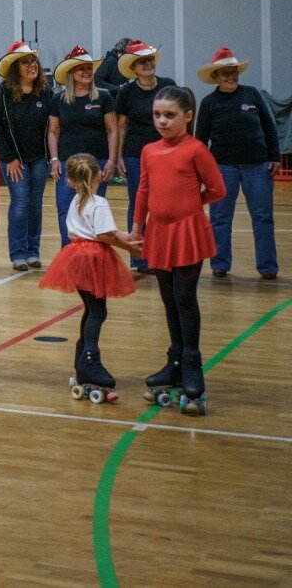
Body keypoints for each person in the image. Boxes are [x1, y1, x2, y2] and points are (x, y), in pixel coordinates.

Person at [134, 86, 227, 415]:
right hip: (158, 233)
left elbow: (217, 188)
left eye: (169, 115)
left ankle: (192, 364)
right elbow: (143, 189)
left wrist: (191, 205)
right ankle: (174, 361)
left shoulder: (196, 150)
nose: (161, 120)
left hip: (187, 232)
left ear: (188, 116)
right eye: (157, 114)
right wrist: (136, 227)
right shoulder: (149, 150)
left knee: (185, 297)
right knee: (168, 298)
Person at [38, 154, 143, 402]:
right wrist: (129, 248)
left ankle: (82, 358)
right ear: (98, 176)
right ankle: (89, 361)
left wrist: (126, 236)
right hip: (94, 258)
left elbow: (104, 230)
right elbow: (103, 234)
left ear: (71, 181)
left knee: (90, 309)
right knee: (98, 312)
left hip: (76, 256)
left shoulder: (76, 200)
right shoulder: (98, 202)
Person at [194, 47, 279, 280]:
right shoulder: (209, 102)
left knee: (263, 216)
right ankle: (220, 264)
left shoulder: (252, 94)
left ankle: (268, 267)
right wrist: (200, 171)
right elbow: (200, 140)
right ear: (216, 77)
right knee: (221, 217)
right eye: (225, 73)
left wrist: (274, 156)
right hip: (222, 168)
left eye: (233, 72)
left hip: (258, 166)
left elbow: (270, 127)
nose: (231, 77)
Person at [0, 42, 52, 272]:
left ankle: (33, 252)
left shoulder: (45, 92)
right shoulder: (2, 94)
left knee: (35, 205)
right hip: (14, 160)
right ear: (16, 68)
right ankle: (18, 254)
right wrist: (9, 158)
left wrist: (52, 158)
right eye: (26, 62)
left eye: (33, 61)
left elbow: (53, 126)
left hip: (40, 160)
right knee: (19, 204)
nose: (32, 65)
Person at [112, 40, 174, 272]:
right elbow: (120, 126)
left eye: (150, 60)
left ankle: (163, 254)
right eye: (142, 62)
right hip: (135, 155)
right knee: (138, 204)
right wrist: (118, 157)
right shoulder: (126, 92)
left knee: (166, 205)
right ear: (134, 68)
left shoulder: (168, 86)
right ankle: (139, 257)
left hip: (167, 155)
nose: (148, 64)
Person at [48, 45, 118, 246]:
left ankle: (92, 251)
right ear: (71, 73)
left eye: (89, 68)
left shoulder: (103, 97)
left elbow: (112, 130)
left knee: (93, 208)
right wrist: (54, 160)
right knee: (64, 207)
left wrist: (112, 161)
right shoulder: (58, 99)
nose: (87, 72)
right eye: (82, 68)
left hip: (98, 162)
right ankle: (68, 251)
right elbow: (53, 132)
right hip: (67, 163)